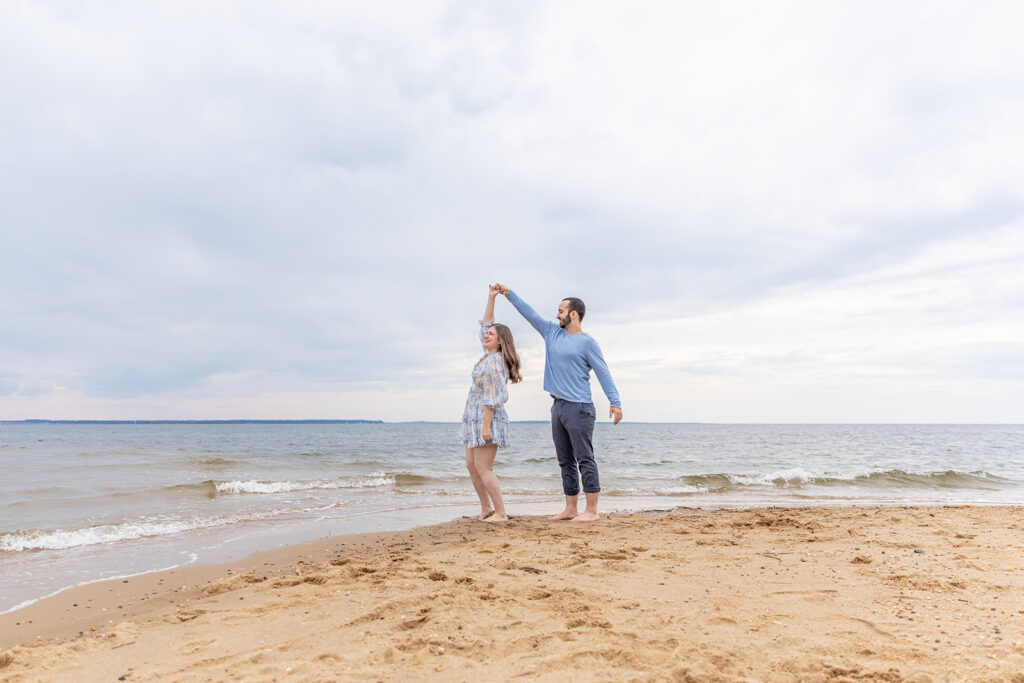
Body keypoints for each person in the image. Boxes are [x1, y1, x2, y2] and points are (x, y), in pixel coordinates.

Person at [494, 284, 621, 522]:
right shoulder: (552, 332)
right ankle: (571, 508)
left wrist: (615, 402)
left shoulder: (587, 342)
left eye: (561, 310)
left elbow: (603, 372)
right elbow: (529, 312)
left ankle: (591, 511)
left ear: (573, 314)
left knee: (584, 457)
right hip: (558, 406)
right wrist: (509, 294)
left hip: (580, 407)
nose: (557, 315)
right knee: (564, 460)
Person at [459, 285, 522, 523]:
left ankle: (501, 512)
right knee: (472, 465)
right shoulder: (487, 356)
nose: (486, 335)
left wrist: (486, 427)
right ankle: (486, 509)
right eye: (487, 333)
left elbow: (493, 398)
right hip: (473, 417)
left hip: (487, 418)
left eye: (492, 334)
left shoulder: (495, 362)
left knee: (484, 468)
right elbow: (485, 323)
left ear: (500, 341)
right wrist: (491, 298)